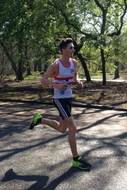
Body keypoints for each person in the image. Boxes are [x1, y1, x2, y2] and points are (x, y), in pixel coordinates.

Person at [29, 38, 92, 171]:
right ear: (63, 50)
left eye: (73, 47)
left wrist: (79, 82)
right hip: (59, 99)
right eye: (70, 47)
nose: (73, 50)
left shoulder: (74, 63)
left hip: (68, 98)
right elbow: (43, 80)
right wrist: (56, 84)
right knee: (72, 128)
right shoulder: (56, 65)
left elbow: (75, 78)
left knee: (62, 129)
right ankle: (76, 159)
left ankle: (40, 119)